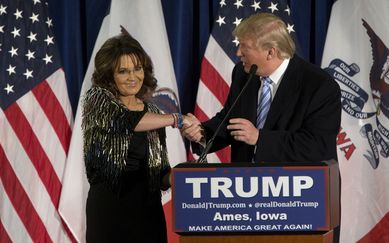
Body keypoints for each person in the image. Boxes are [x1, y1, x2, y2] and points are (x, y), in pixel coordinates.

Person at [183, 12, 341, 163]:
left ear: (270, 52)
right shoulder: (243, 73)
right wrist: (201, 134)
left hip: (299, 184)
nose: (238, 53)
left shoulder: (319, 85)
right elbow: (231, 122)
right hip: (247, 184)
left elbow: (317, 145)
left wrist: (259, 138)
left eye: (245, 47)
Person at [82, 34, 191, 243]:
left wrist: (180, 177)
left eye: (138, 68)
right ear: (109, 75)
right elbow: (128, 121)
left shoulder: (152, 110)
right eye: (123, 71)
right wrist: (177, 119)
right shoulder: (96, 100)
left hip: (148, 214)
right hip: (109, 214)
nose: (133, 77)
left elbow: (160, 174)